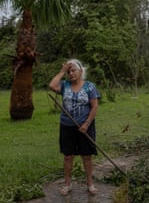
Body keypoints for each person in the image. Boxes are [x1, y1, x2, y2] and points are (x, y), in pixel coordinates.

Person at [49, 59, 100, 196]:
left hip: (85, 126)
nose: (71, 73)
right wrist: (62, 71)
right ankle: (67, 185)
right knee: (68, 156)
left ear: (81, 71)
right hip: (67, 126)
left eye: (73, 70)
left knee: (87, 156)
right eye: (68, 71)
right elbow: (52, 85)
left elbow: (94, 107)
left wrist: (86, 124)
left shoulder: (90, 86)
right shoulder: (64, 85)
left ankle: (90, 183)